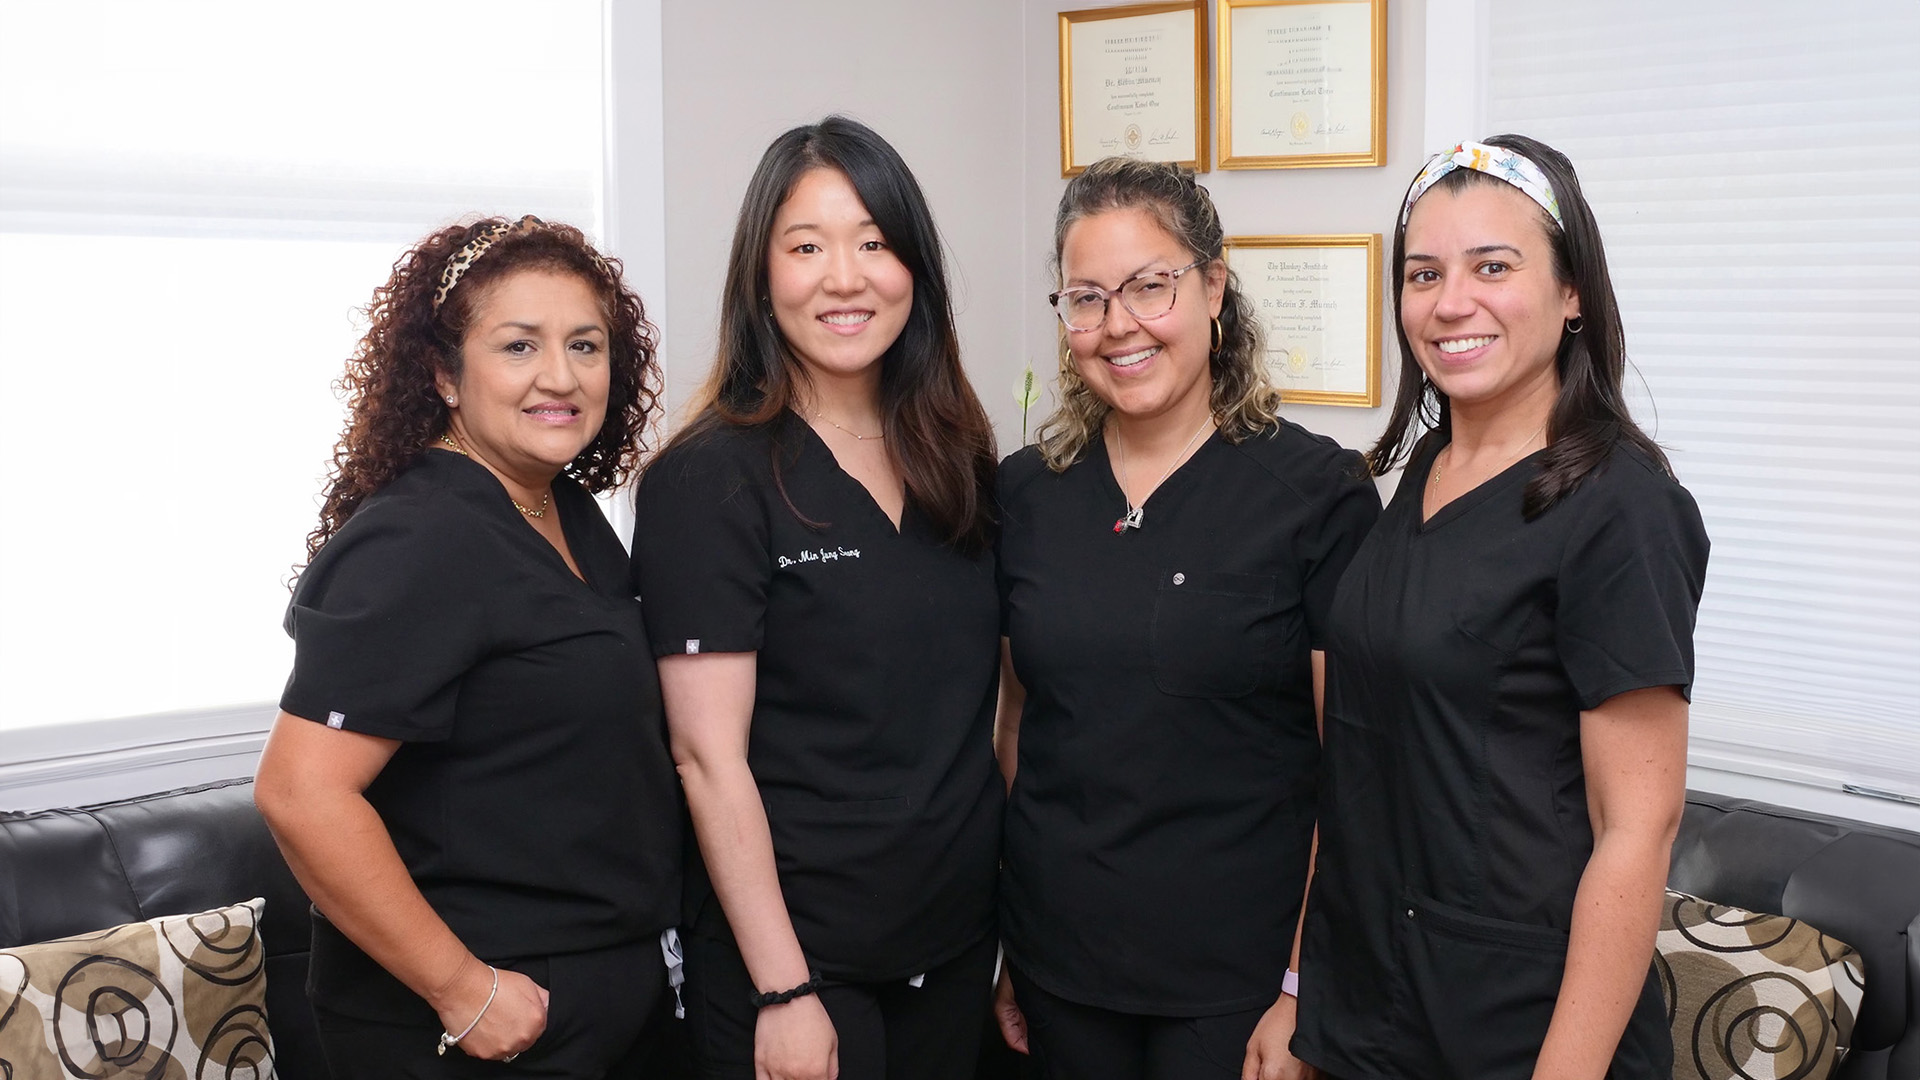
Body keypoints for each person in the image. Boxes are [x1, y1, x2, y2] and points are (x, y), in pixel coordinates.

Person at [1289, 136, 1710, 1080]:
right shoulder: (1421, 477)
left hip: (1518, 1031)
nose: (1450, 303)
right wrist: (1302, 995)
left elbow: (1636, 830)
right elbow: (1357, 768)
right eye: (1423, 273)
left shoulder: (1621, 509)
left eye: (1493, 267)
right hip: (1370, 1010)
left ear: (1572, 295)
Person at [254, 216, 682, 1077]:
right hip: (476, 1021)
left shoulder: (562, 510)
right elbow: (300, 793)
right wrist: (464, 990)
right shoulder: (420, 537)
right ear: (444, 373)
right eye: (519, 346)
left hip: (597, 993)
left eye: (586, 346)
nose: (560, 377)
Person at [628, 117, 1002, 1080]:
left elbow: (987, 709)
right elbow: (707, 758)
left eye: (874, 242)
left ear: (913, 267)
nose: (846, 277)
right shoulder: (709, 479)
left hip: (955, 953)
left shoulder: (958, 457)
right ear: (761, 278)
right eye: (806, 247)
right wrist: (785, 991)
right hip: (797, 968)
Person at [992, 156, 1381, 1080]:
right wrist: (1014, 947)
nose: (1117, 324)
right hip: (1061, 966)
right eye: (1086, 298)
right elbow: (1018, 725)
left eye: (1149, 286)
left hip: (1236, 983)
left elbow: (1355, 770)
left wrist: (1300, 985)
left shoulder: (1314, 495)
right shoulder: (1025, 495)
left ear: (1213, 288)